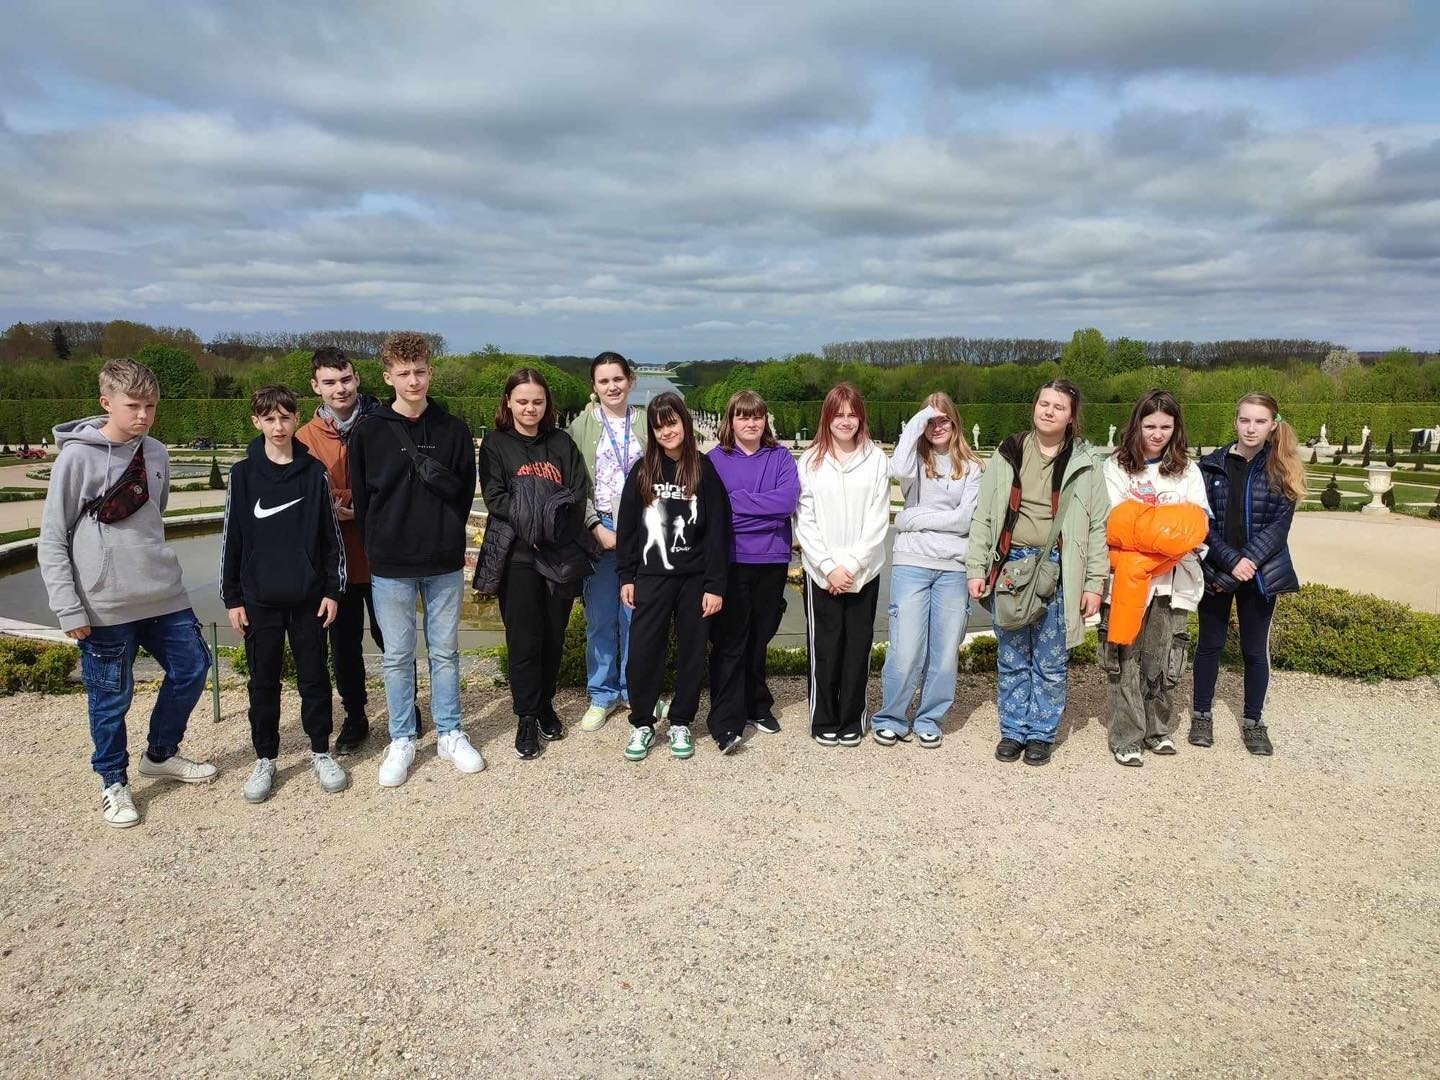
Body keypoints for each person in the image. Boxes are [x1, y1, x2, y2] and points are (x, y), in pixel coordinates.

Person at [38, 358, 216, 828]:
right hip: (104, 603)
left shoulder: (156, 452)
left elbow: (154, 516)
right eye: (133, 405)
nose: (143, 415)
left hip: (164, 594)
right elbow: (52, 538)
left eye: (151, 406)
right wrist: (68, 606)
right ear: (106, 403)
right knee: (110, 698)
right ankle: (113, 781)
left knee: (193, 667)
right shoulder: (76, 458)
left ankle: (160, 753)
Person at [349, 331, 484, 787]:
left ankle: (449, 732)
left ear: (431, 372)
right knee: (397, 656)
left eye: (420, 372)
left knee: (445, 652)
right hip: (391, 564)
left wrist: (443, 535)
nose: (413, 381)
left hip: (442, 560)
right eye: (404, 373)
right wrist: (381, 544)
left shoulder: (453, 429)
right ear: (388, 377)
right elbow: (364, 500)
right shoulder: (369, 432)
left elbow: (463, 493)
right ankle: (403, 737)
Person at [965, 379, 1108, 766]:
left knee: (1050, 660)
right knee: (1012, 654)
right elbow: (984, 515)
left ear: (1071, 417)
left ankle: (1041, 733)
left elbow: (1098, 527)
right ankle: (1013, 730)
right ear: (1035, 406)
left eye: (1059, 407)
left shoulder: (1086, 461)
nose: (1049, 411)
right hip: (1011, 567)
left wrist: (1094, 584)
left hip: (1061, 569)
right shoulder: (1009, 452)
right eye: (1044, 403)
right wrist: (976, 568)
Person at [222, 385, 348, 802]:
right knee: (263, 683)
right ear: (256, 421)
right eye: (269, 418)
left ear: (296, 419)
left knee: (315, 679)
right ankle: (265, 758)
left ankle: (320, 751)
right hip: (259, 600)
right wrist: (232, 598)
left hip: (308, 598)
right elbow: (232, 539)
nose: (278, 426)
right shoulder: (242, 475)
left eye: (285, 417)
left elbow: (331, 539)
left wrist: (333, 590)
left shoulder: (314, 473)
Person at [478, 368, 594, 759]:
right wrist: (544, 512)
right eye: (523, 401)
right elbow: (496, 499)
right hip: (520, 556)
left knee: (553, 636)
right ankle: (526, 716)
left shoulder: (561, 442)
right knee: (524, 639)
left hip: (559, 551)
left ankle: (545, 703)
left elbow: (577, 493)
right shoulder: (496, 444)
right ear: (508, 402)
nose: (530, 408)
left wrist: (547, 519)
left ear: (547, 404)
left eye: (538, 402)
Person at [294, 346, 403, 755]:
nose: (339, 389)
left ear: (357, 379)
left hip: (383, 556)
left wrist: (348, 501)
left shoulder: (385, 424)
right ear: (316, 386)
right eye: (330, 382)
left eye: (345, 379)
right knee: (343, 648)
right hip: (335, 564)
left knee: (394, 641)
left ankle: (404, 709)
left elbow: (398, 484)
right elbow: (303, 493)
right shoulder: (304, 438)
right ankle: (355, 715)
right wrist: (340, 502)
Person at [616, 393, 730, 762]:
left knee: (692, 653)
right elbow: (627, 527)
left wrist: (715, 585)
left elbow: (718, 532)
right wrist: (626, 575)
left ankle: (681, 720)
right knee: (643, 652)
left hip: (694, 578)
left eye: (672, 423)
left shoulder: (703, 469)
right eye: (659, 426)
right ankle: (642, 722)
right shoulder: (643, 470)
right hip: (651, 576)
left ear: (685, 422)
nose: (666, 431)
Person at [1099, 390, 1209, 767]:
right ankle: (1127, 735)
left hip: (1173, 583)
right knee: (1124, 658)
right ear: (1137, 425)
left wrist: (1146, 528)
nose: (1157, 434)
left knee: (1163, 658)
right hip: (1125, 584)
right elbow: (1115, 525)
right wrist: (1169, 532)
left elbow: (1196, 527)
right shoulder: (1116, 467)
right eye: (1150, 426)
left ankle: (1157, 728)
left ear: (1176, 428)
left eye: (1165, 426)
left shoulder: (1187, 470)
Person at [1192, 392, 1305, 755]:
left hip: (1260, 574)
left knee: (1254, 650)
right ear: (1235, 422)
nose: (1251, 428)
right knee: (1209, 645)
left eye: (1259, 421)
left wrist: (1244, 564)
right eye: (1245, 420)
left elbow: (1278, 528)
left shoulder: (1282, 468)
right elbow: (1202, 523)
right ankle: (1201, 714)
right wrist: (1230, 563)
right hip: (1219, 568)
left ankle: (1254, 720)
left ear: (1273, 425)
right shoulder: (1211, 466)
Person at [872, 393, 984, 749]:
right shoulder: (915, 461)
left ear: (955, 422)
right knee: (905, 650)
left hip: (953, 567)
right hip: (912, 564)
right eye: (930, 421)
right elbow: (896, 469)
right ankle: (891, 717)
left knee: (945, 654)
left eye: (943, 419)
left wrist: (914, 517)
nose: (937, 427)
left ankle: (929, 718)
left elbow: (965, 520)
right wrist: (920, 418)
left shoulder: (973, 467)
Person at [794, 383, 891, 747]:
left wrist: (851, 565)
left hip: (863, 572)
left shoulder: (876, 460)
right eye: (839, 414)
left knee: (857, 647)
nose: (846, 421)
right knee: (825, 648)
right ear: (827, 418)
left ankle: (852, 717)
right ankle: (823, 717)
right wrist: (828, 566)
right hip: (822, 573)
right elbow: (805, 519)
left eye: (852, 414)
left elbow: (878, 519)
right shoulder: (809, 461)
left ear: (861, 418)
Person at [706, 390, 801, 752]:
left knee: (760, 637)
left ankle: (756, 704)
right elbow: (715, 513)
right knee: (730, 640)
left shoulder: (780, 457)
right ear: (730, 421)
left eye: (757, 416)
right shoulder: (715, 460)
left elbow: (787, 502)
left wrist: (738, 503)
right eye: (743, 416)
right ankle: (726, 718)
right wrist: (764, 511)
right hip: (731, 560)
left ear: (765, 420)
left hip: (771, 559)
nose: (751, 423)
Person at [566, 352, 646, 731]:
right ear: (594, 387)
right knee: (600, 617)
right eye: (604, 381)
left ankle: (634, 689)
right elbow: (573, 485)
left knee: (636, 616)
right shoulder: (580, 426)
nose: (612, 387)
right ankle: (602, 693)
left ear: (630, 380)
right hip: (599, 527)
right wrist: (596, 526)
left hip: (642, 529)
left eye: (618, 379)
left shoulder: (646, 422)